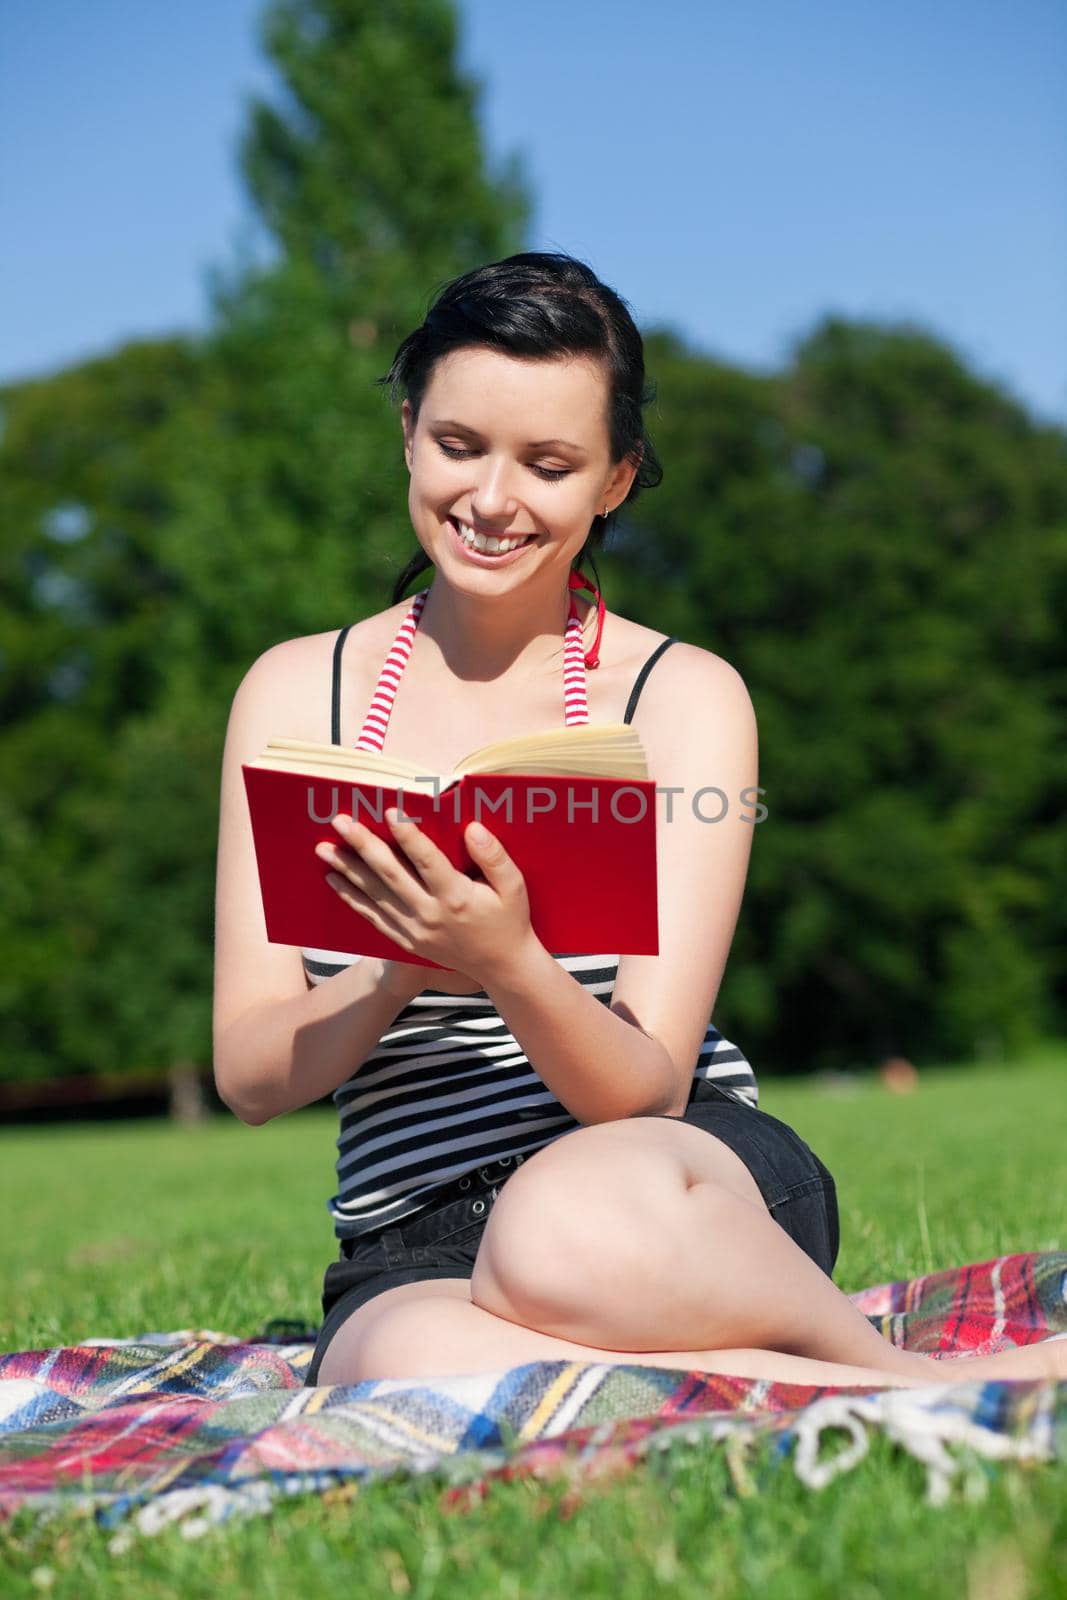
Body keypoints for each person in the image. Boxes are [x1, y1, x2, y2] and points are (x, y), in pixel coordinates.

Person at [213, 252, 1065, 1391]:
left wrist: (509, 959)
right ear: (408, 429)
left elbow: (647, 1087)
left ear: (614, 480)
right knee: (401, 1364)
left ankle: (895, 1379)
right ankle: (841, 1381)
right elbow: (252, 1077)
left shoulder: (682, 698)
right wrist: (401, 966)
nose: (490, 500)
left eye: (549, 464)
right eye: (458, 445)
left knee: (559, 1226)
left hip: (660, 1175)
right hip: (417, 1235)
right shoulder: (289, 692)